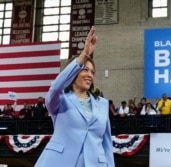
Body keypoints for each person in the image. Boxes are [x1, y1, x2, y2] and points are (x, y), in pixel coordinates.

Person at [35, 26, 115, 167]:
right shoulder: (60, 100)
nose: (90, 75)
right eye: (85, 70)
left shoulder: (102, 104)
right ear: (73, 73)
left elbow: (107, 143)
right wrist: (83, 56)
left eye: (92, 72)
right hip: (60, 162)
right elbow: (55, 87)